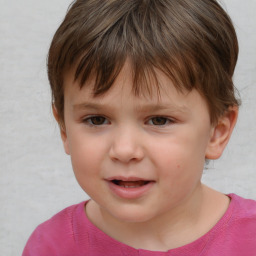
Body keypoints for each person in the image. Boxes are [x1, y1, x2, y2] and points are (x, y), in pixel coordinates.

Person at [22, 0, 256, 255]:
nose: (124, 150)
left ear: (217, 132)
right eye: (96, 120)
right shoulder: (50, 246)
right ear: (64, 129)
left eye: (159, 120)